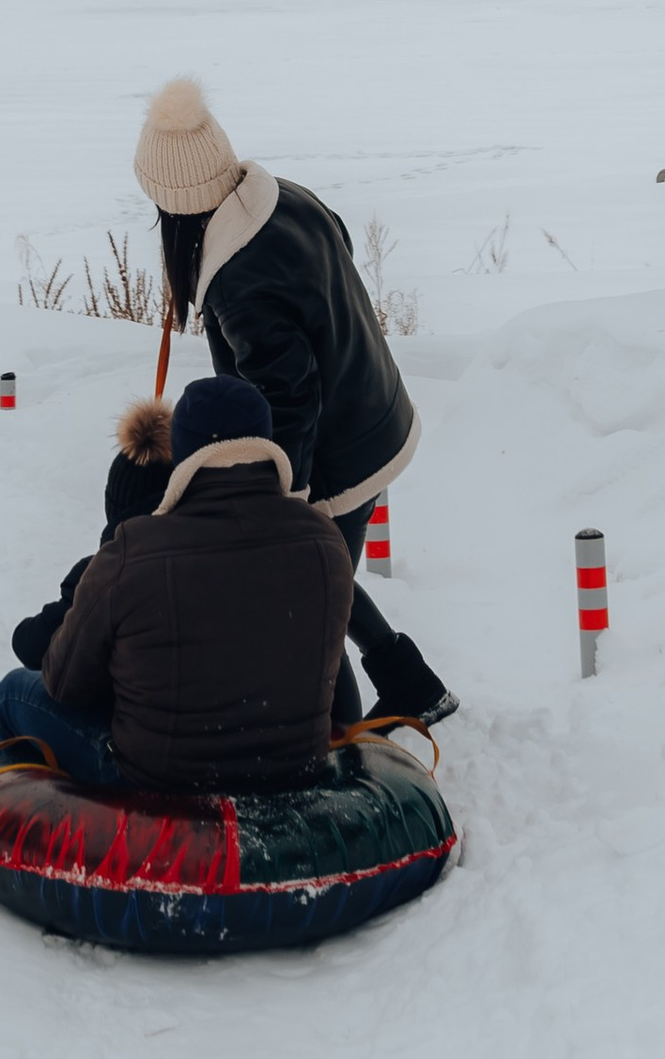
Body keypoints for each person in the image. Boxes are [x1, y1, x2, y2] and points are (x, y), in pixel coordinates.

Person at [132, 77, 458, 730]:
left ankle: (337, 746)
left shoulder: (238, 280)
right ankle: (411, 685)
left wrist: (287, 496)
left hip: (339, 448)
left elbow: (290, 394)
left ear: (174, 203)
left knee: (309, 601)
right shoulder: (284, 199)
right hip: (373, 407)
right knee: (327, 576)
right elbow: (334, 258)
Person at [0, 373, 354, 793]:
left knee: (15, 693)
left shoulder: (135, 549)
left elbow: (63, 682)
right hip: (295, 768)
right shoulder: (325, 540)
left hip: (159, 777)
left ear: (185, 452)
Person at [6, 395, 174, 670]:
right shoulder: (205, 551)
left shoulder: (108, 571)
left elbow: (29, 644)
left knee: (12, 691)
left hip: (130, 709)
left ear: (116, 505)